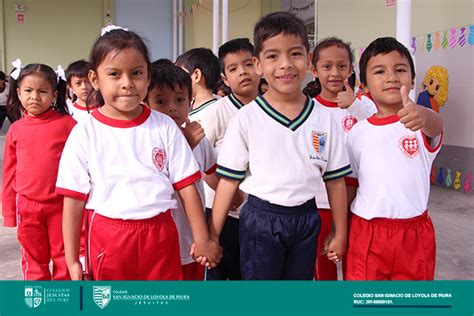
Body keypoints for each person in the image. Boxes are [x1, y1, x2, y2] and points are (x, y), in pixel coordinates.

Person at [56, 26, 221, 281]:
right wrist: (72, 260)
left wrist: (202, 240)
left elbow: (188, 187)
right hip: (108, 237)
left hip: (160, 234)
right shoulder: (84, 133)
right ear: (94, 79)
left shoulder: (164, 126)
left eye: (136, 73)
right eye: (114, 74)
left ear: (147, 75)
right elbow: (73, 202)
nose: (127, 84)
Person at [208, 12, 351, 280]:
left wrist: (339, 232)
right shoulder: (247, 118)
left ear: (308, 61)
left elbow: (335, 181)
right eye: (273, 56)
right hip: (261, 219)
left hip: (307, 217)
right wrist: (212, 236)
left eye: (295, 54)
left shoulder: (324, 119)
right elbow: (228, 182)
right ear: (258, 64)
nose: (285, 64)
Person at [346, 37, 444, 280]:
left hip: (414, 233)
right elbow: (351, 183)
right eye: (380, 71)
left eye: (400, 70)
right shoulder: (357, 132)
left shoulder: (420, 122)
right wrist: (342, 230)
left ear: (411, 79)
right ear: (365, 85)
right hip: (367, 230)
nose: (391, 77)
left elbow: (436, 126)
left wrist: (422, 114)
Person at [2, 63, 76, 280]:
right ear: (18, 92)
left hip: (62, 205)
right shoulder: (16, 129)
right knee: (34, 258)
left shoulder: (68, 125)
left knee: (64, 255)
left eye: (42, 91)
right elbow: (9, 172)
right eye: (28, 91)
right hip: (27, 207)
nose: (35, 97)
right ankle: (37, 300)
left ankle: (65, 300)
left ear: (54, 95)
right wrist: (8, 211)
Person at [310, 37, 377, 280]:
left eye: (342, 66)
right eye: (327, 67)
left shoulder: (366, 106)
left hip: (361, 200)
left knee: (357, 264)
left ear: (351, 69)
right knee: (324, 264)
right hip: (323, 202)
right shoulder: (311, 109)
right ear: (314, 70)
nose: (335, 73)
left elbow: (378, 136)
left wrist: (355, 108)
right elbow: (317, 154)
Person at [146, 64, 218, 280]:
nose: (172, 108)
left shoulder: (198, 137)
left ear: (190, 101)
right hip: (158, 244)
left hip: (192, 241)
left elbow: (212, 173)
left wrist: (235, 196)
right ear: (145, 103)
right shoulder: (145, 139)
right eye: (161, 101)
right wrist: (184, 145)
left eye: (180, 100)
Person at [203, 38, 260, 280]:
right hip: (221, 211)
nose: (243, 72)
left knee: (247, 273)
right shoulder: (216, 113)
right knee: (217, 273)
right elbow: (203, 163)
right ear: (225, 79)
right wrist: (231, 195)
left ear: (259, 66)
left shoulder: (271, 110)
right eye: (233, 69)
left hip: (258, 212)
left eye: (247, 64)